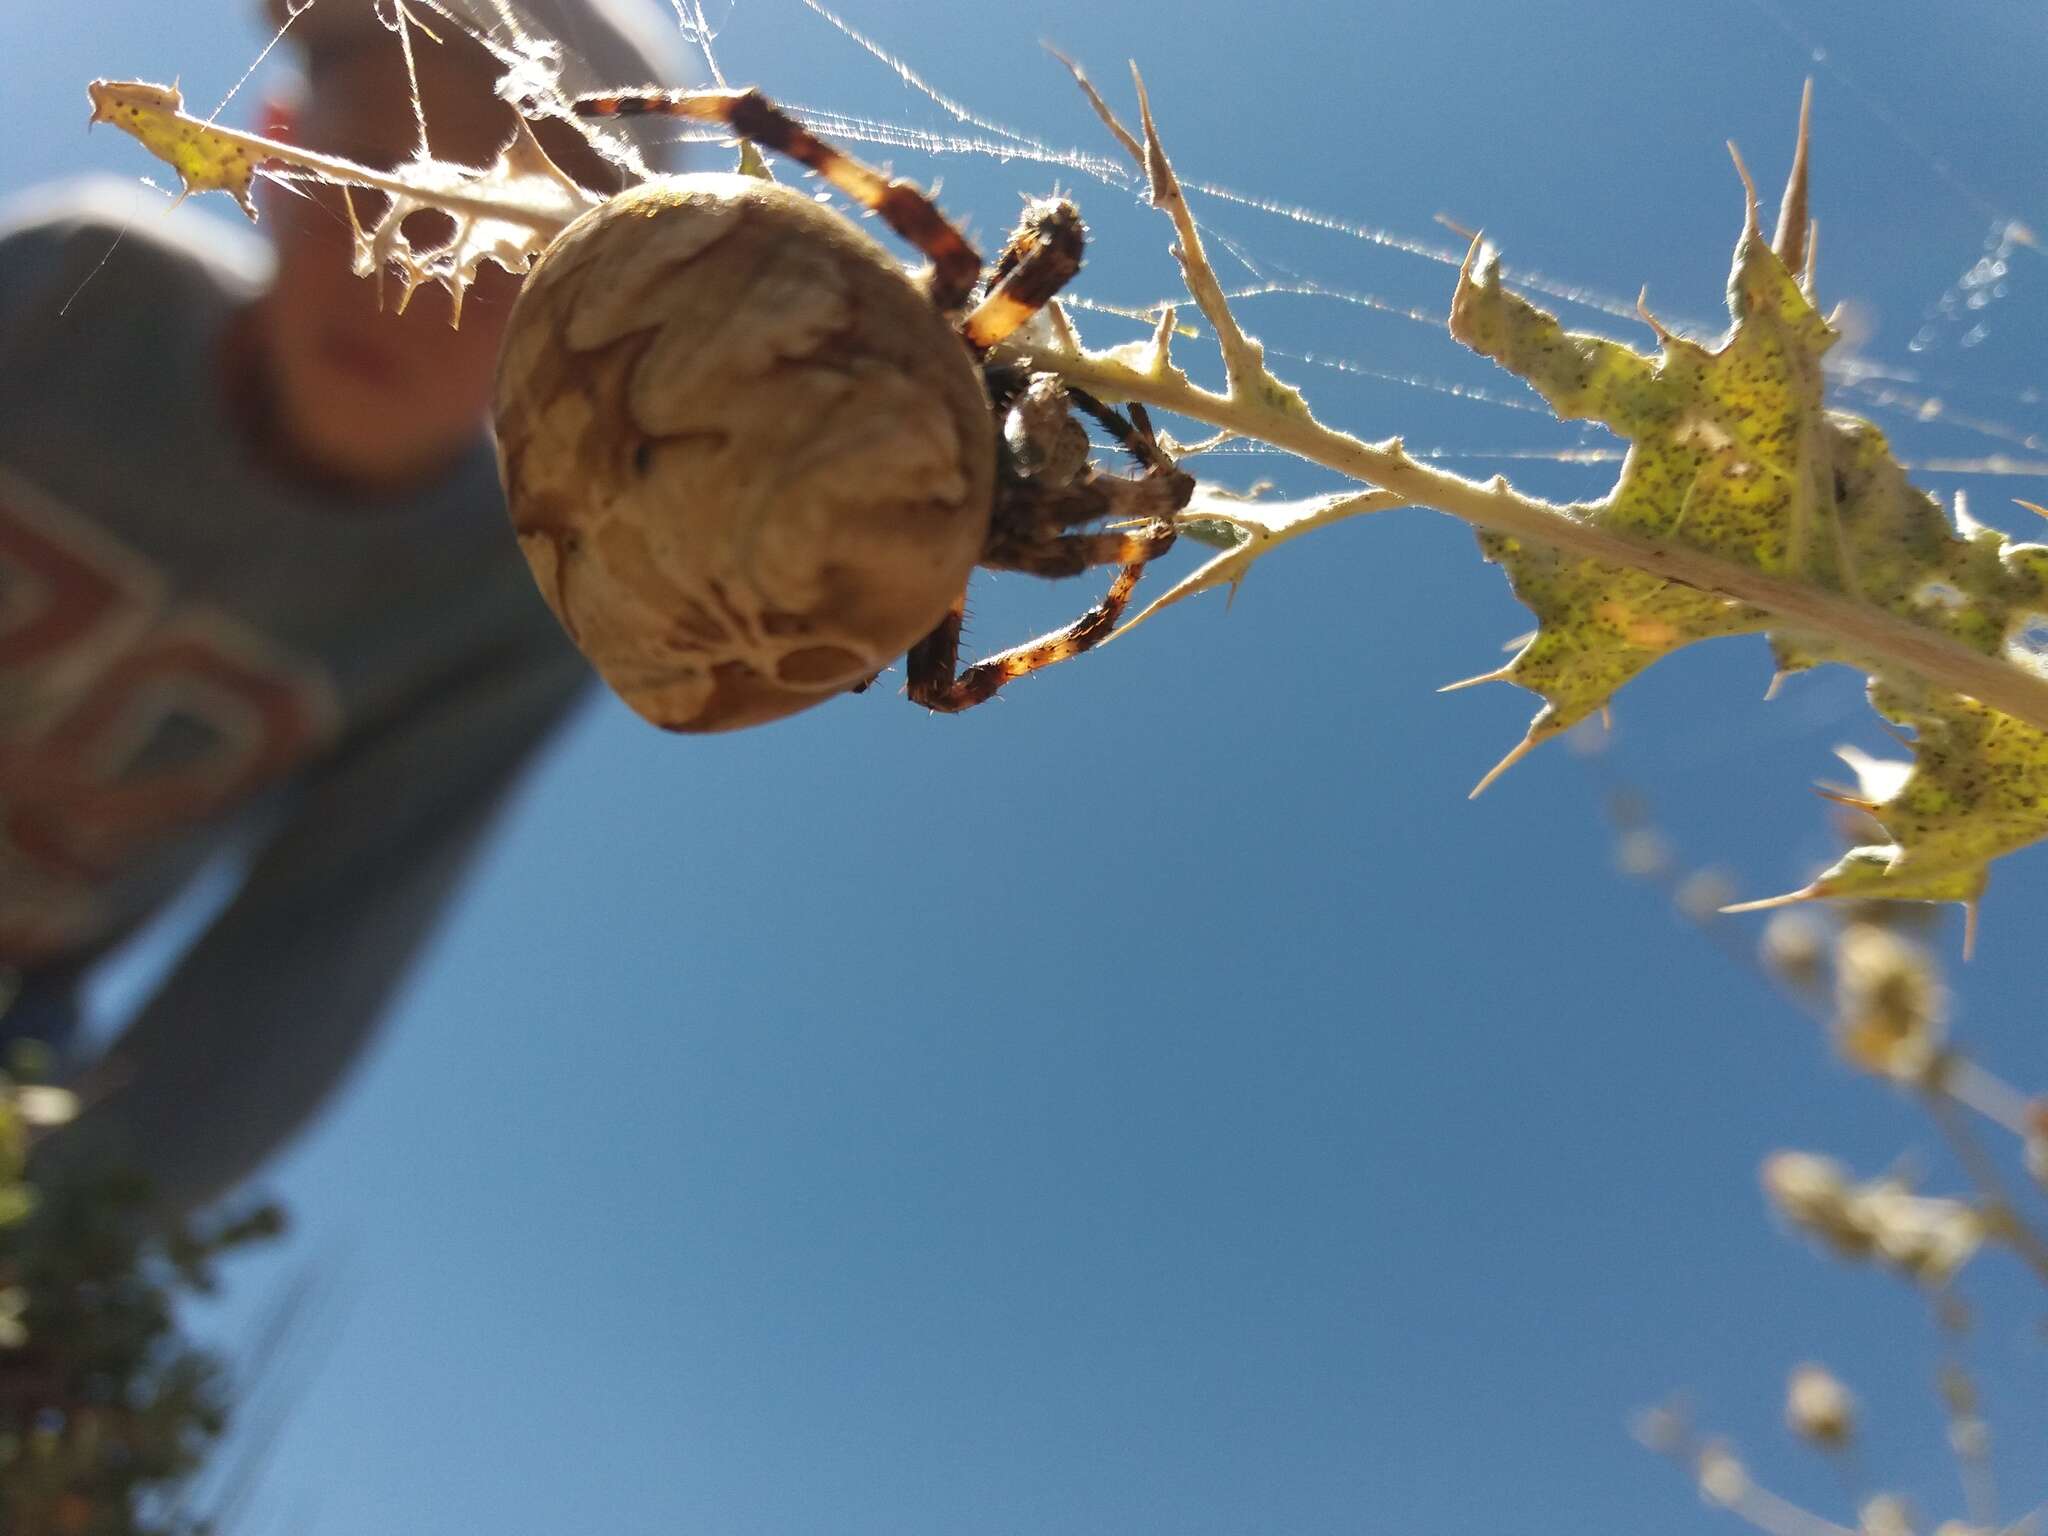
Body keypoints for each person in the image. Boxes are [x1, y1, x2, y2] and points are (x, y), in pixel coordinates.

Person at [0, 0, 687, 1220]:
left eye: (518, 239)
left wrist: (66, 1242)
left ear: (586, 335)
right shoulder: (71, 285)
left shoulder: (515, 594)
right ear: (267, 146)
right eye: (373, 162)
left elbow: (306, 960)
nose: (411, 259)